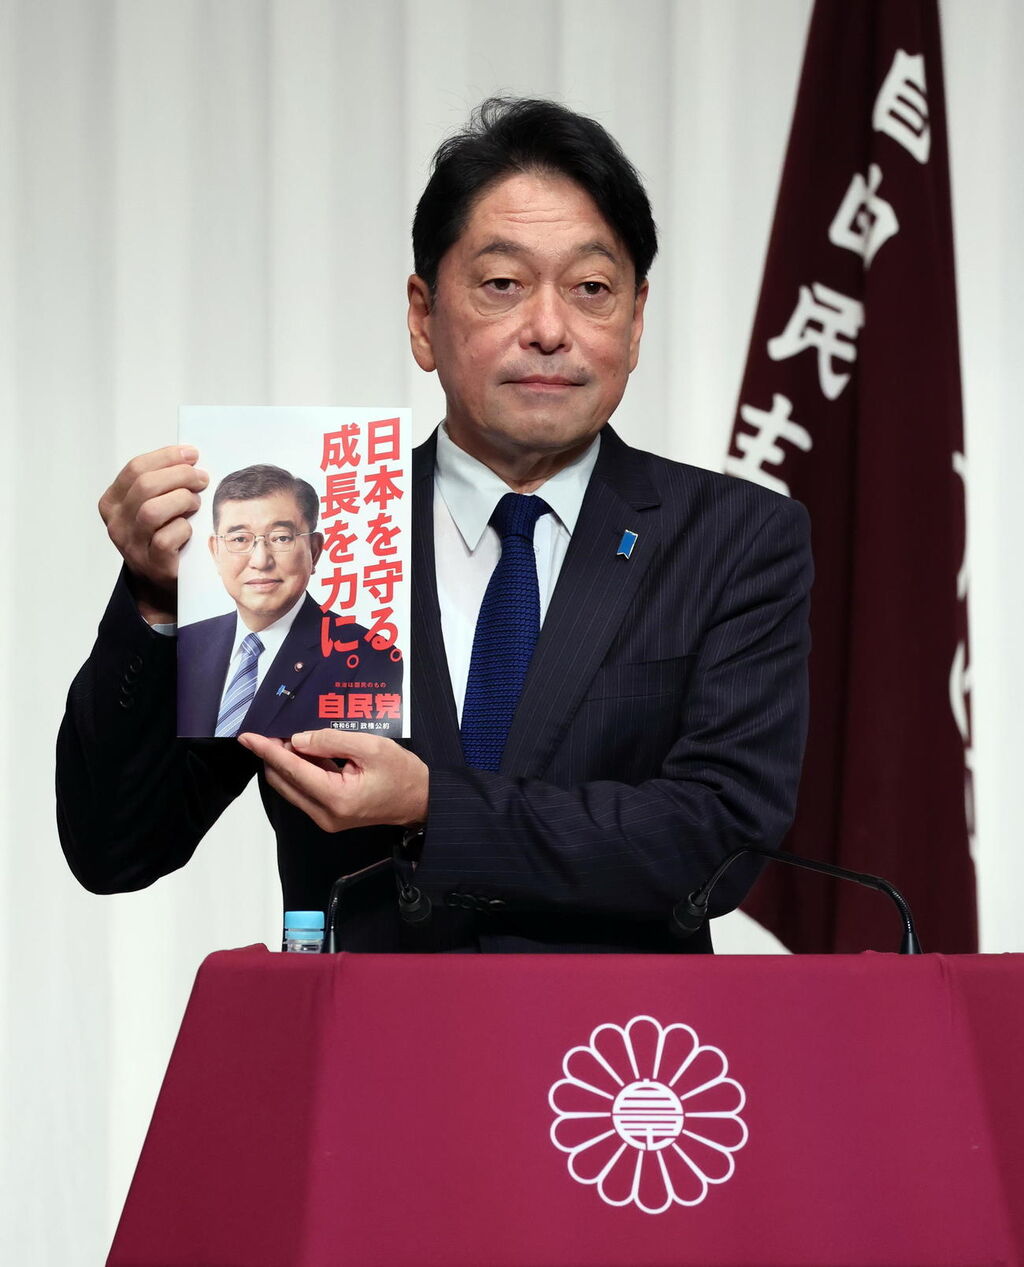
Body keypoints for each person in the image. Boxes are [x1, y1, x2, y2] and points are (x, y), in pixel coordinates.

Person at [57, 97, 811, 952]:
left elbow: (717, 836)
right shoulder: (317, 527)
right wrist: (157, 602)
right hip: (368, 1030)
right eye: (503, 285)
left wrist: (432, 806)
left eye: (591, 289)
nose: (550, 329)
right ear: (423, 317)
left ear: (635, 324)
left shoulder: (733, 538)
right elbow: (117, 846)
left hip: (617, 1037)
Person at [177, 463, 403, 739]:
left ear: (314, 550)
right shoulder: (185, 644)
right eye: (239, 539)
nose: (260, 560)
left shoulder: (368, 658)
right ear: (215, 551)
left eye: (281, 538)